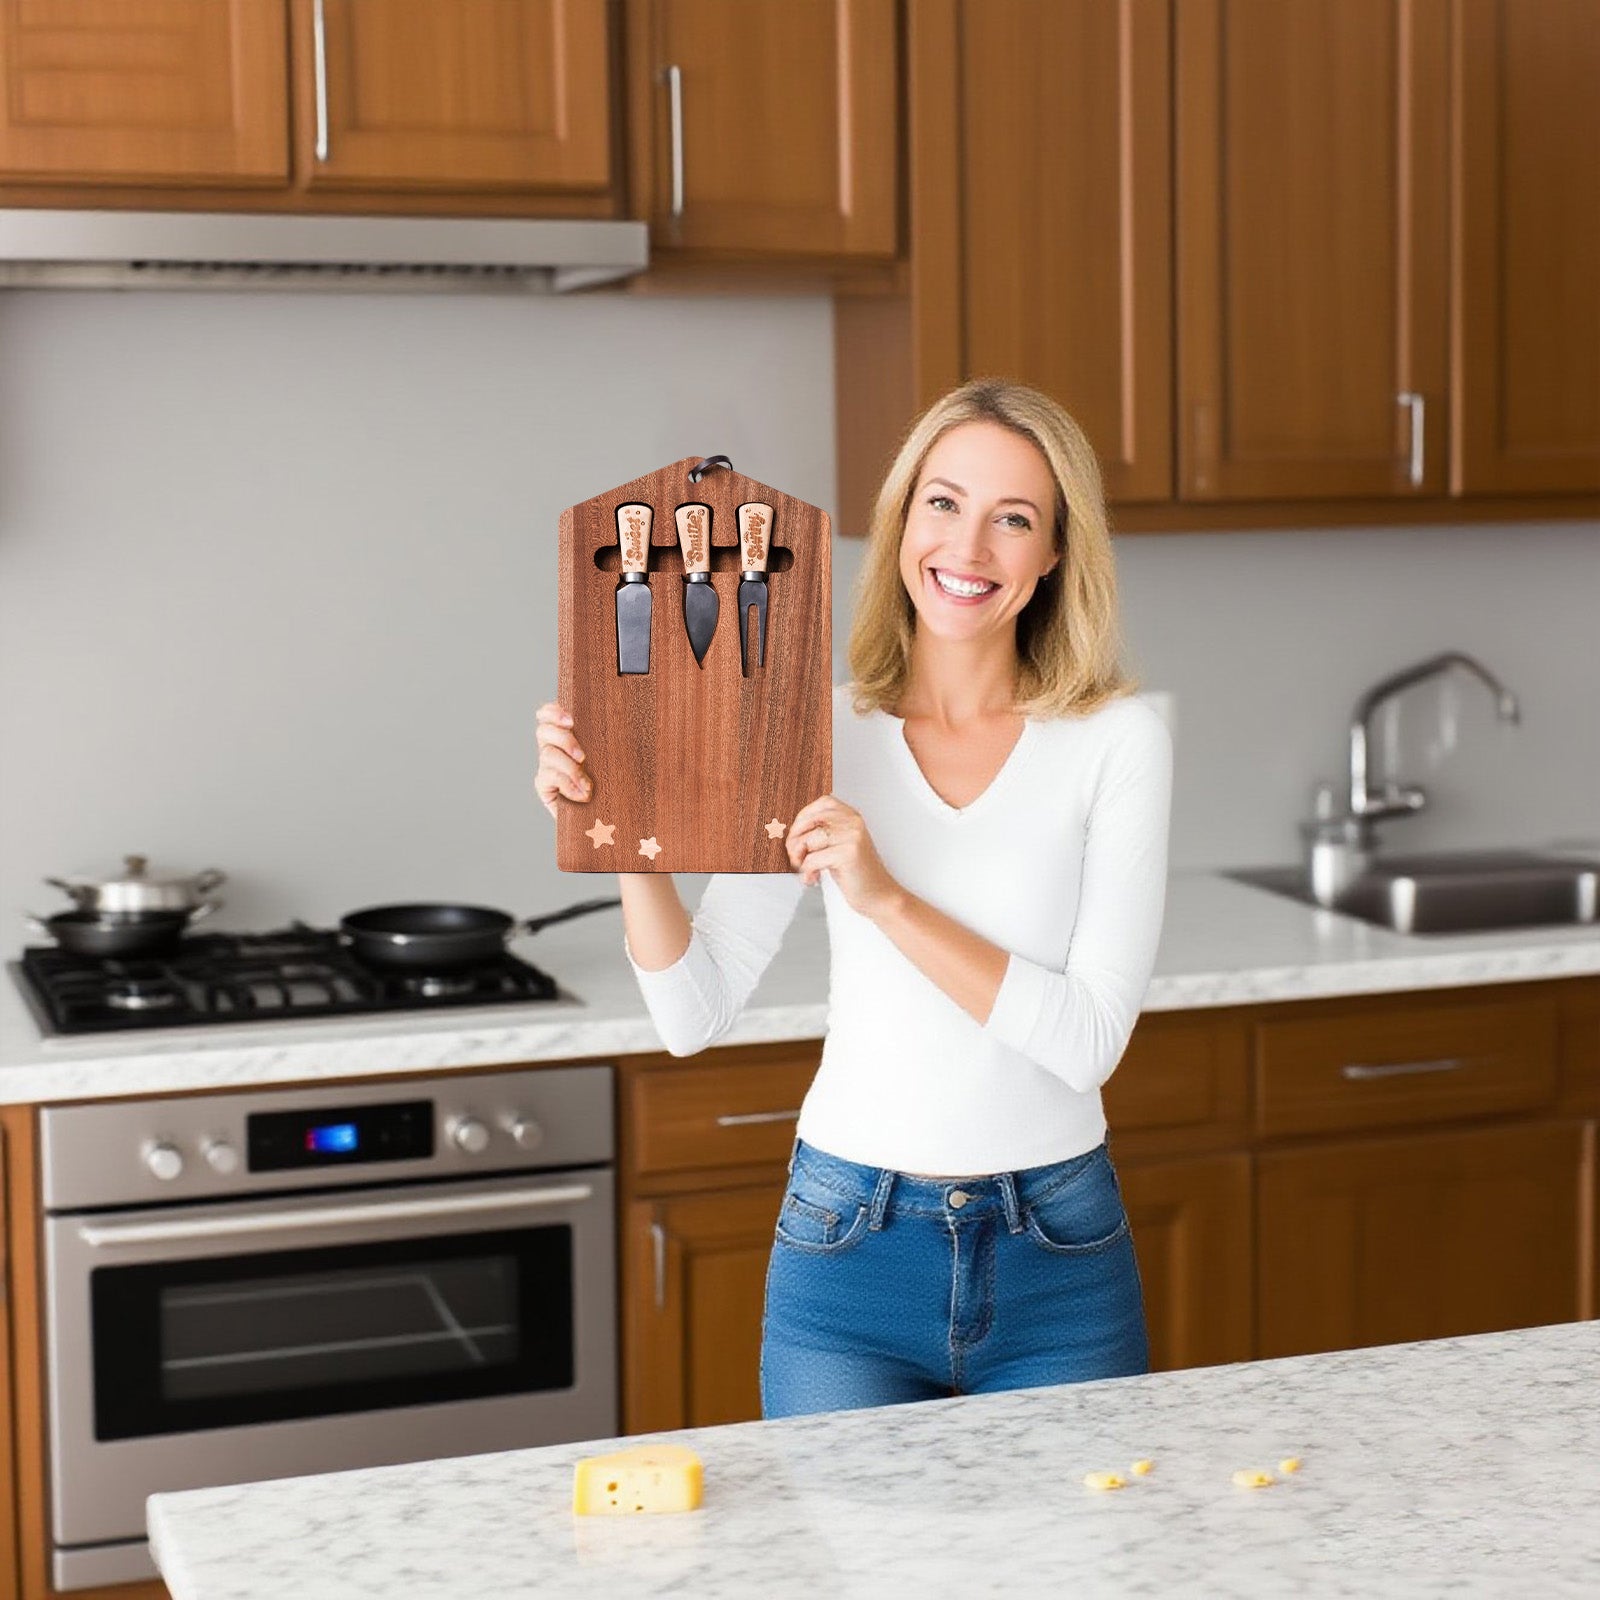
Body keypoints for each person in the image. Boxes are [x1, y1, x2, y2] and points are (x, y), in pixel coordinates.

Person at [535, 379, 1172, 1418]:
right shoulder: (812, 731)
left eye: (1013, 519)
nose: (967, 547)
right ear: (901, 519)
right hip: (847, 1250)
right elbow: (692, 1013)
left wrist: (885, 897)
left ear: (1054, 553)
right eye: (943, 502)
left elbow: (1087, 1039)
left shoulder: (1116, 741)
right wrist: (620, 822)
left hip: (1058, 1255)